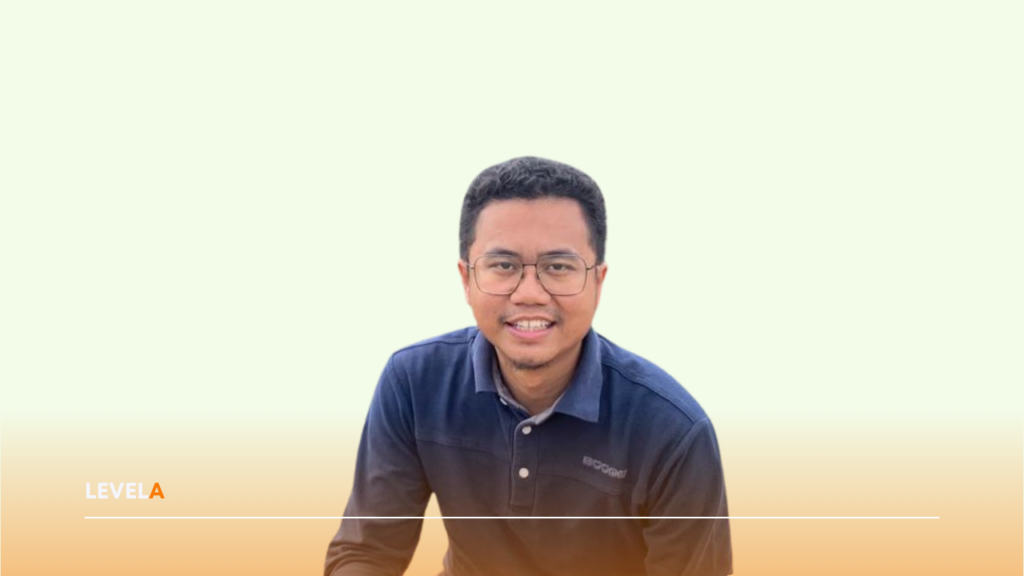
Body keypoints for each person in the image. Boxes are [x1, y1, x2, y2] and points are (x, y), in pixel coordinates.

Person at [324, 156, 732, 576]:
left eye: (558, 267)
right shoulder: (414, 382)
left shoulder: (674, 432)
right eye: (504, 266)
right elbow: (366, 554)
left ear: (598, 281)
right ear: (467, 279)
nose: (530, 293)